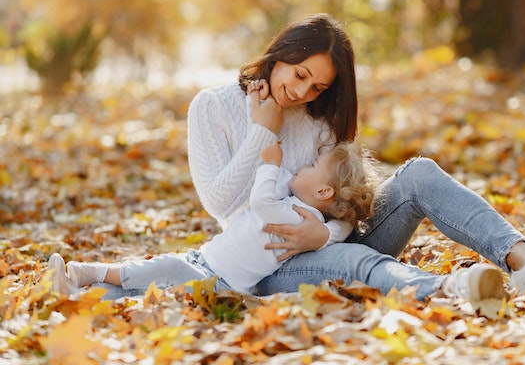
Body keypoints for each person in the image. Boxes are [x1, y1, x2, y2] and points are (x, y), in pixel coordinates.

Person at [184, 12, 525, 301]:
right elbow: (220, 204)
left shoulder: (318, 117)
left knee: (418, 173)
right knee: (353, 264)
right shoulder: (213, 107)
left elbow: (348, 199)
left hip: (336, 238)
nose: (303, 93)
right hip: (269, 261)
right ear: (281, 54)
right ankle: (454, 289)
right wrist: (262, 131)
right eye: (300, 75)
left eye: (317, 86)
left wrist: (326, 234)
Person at [47, 82, 382, 297]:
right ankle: (77, 291)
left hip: (223, 282)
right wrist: (259, 125)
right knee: (154, 283)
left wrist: (270, 162)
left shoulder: (298, 213)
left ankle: (84, 275)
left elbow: (263, 199)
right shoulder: (296, 197)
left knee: (158, 274)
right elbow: (249, 187)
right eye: (299, 76)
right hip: (206, 259)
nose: (301, 165)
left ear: (324, 193)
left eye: (310, 166)